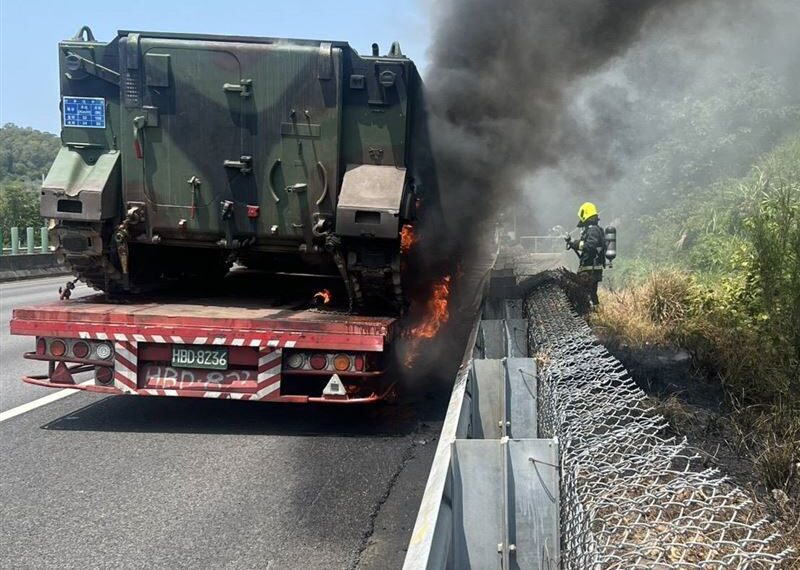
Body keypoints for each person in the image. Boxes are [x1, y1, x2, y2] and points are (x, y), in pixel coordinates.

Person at [565, 202, 605, 307]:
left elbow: (590, 246)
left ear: (585, 214)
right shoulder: (593, 230)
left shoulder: (593, 230)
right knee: (590, 294)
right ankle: (595, 313)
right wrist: (573, 243)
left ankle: (592, 315)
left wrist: (575, 244)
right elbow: (586, 245)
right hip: (590, 269)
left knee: (586, 295)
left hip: (590, 270)